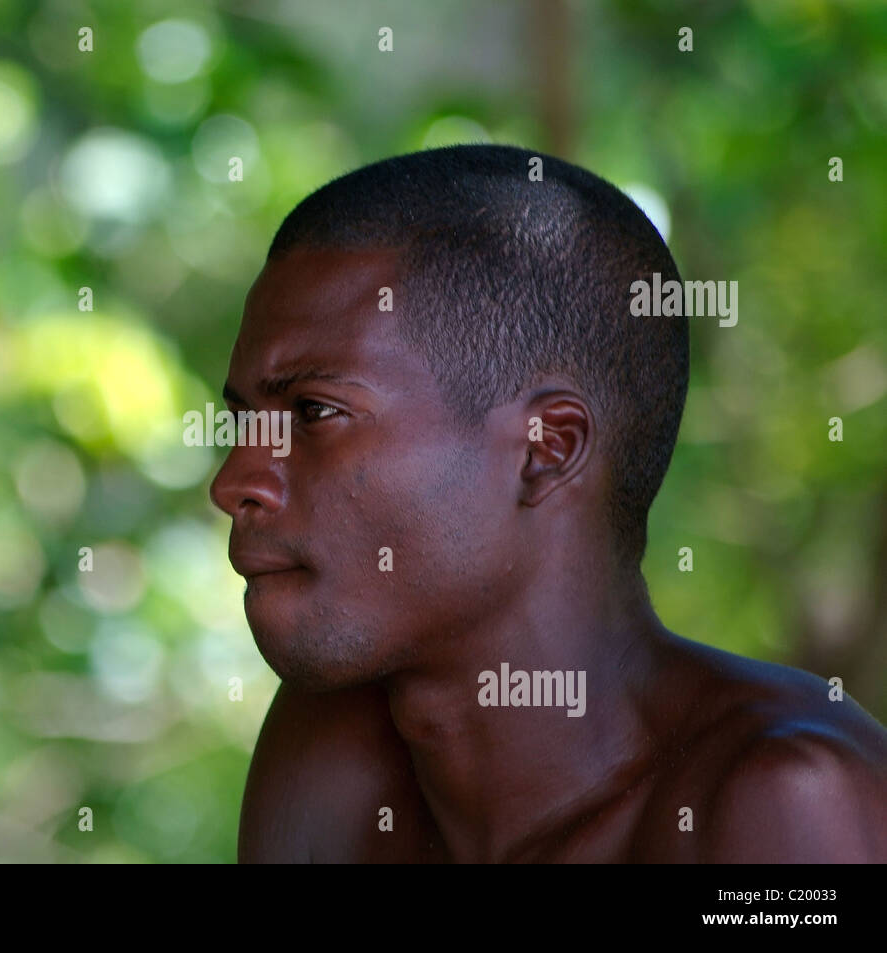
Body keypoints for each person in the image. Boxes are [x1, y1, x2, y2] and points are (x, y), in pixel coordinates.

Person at [209, 144, 887, 863]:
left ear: (546, 449)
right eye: (244, 423)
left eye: (313, 412)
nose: (233, 482)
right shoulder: (335, 749)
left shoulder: (785, 802)